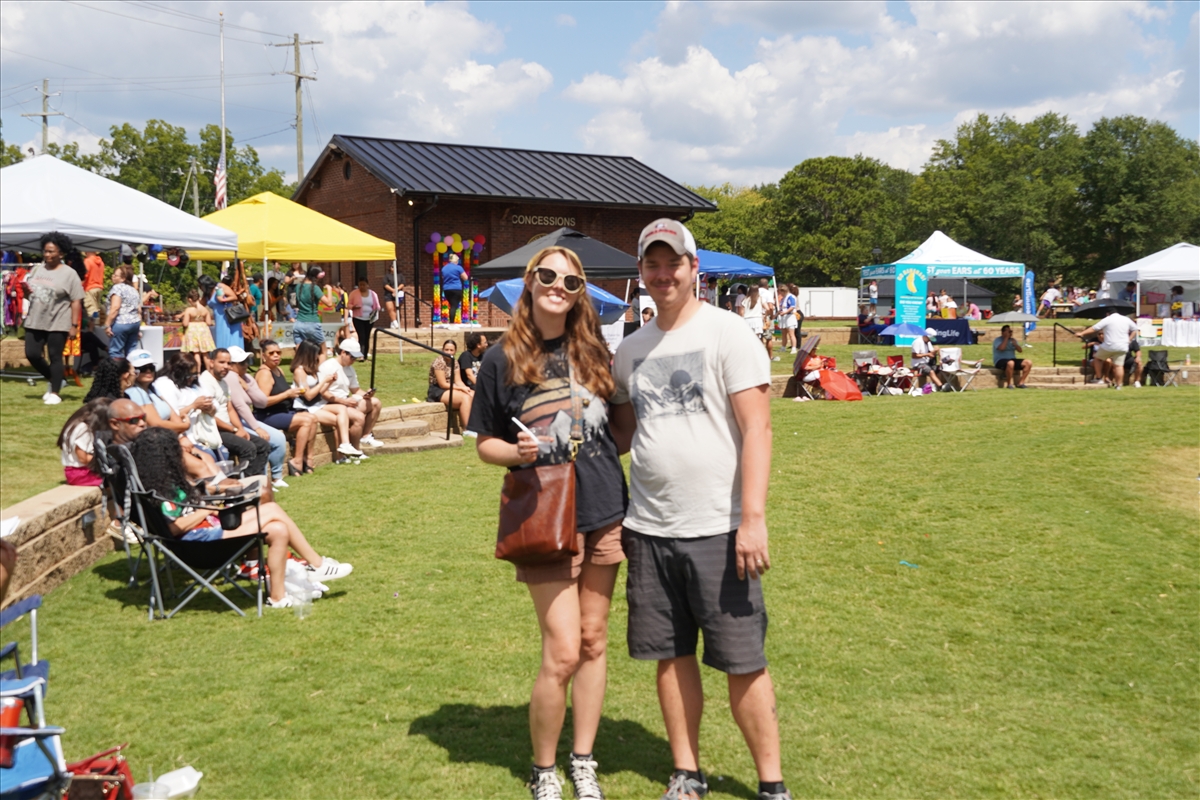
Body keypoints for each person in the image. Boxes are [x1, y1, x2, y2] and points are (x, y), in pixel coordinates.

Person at [609, 219, 791, 800]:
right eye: (652, 264)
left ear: (694, 269)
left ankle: (771, 784)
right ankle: (686, 773)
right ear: (641, 271)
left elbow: (758, 428)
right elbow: (621, 433)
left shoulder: (728, 333)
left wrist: (753, 519)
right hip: (649, 528)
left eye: (674, 263)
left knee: (743, 660)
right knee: (670, 655)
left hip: (720, 527)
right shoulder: (630, 350)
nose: (663, 274)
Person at [468, 245, 628, 800]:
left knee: (593, 639)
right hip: (544, 513)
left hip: (605, 507)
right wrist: (517, 453)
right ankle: (544, 770)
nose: (559, 286)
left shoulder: (597, 352)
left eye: (571, 281)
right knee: (562, 650)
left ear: (581, 293)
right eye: (548, 276)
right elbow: (484, 443)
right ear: (530, 282)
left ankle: (583, 760)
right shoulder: (501, 357)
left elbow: (622, 431)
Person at [127, 427, 352, 608]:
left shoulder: (163, 479)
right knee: (271, 510)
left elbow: (189, 499)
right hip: (198, 545)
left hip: (205, 533)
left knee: (278, 529)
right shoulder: (157, 491)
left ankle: (277, 598)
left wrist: (215, 493)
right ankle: (318, 564)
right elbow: (174, 529)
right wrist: (208, 510)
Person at [23, 231, 85, 404]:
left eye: (51, 251)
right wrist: (27, 292)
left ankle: (55, 393)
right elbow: (32, 295)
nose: (47, 254)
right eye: (45, 251)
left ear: (61, 253)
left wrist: (74, 325)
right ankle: (56, 379)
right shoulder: (37, 269)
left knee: (55, 356)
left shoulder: (69, 274)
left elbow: (76, 300)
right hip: (35, 319)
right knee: (32, 354)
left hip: (58, 320)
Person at [225, 345, 290, 489]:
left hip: (245, 419)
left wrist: (248, 387)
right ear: (231, 365)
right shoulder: (229, 376)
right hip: (233, 421)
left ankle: (276, 478)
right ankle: (262, 481)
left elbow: (262, 401)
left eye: (247, 361)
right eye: (242, 362)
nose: (246, 365)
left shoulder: (247, 377)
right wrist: (257, 428)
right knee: (261, 441)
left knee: (279, 438)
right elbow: (240, 405)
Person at [200, 348, 272, 476]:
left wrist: (240, 429)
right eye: (221, 362)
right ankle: (245, 484)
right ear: (211, 362)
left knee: (263, 445)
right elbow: (210, 417)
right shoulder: (205, 382)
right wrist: (233, 430)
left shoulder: (223, 382)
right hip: (214, 430)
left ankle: (256, 481)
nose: (226, 366)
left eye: (228, 363)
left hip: (228, 428)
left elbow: (230, 408)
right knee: (248, 448)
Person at [255, 340, 317, 476]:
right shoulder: (265, 373)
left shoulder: (279, 370)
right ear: (263, 356)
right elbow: (263, 402)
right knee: (306, 421)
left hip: (283, 411)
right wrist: (287, 394)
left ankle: (308, 458)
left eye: (278, 353)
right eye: (271, 353)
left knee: (313, 418)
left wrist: (293, 395)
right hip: (268, 415)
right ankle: (297, 460)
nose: (276, 356)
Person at [291, 340, 362, 459]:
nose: (318, 357)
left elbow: (320, 391)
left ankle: (345, 445)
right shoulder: (299, 371)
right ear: (308, 354)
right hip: (305, 407)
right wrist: (324, 381)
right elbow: (308, 395)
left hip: (316, 404)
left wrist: (330, 382)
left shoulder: (312, 369)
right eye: (316, 354)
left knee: (341, 409)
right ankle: (340, 456)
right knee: (338, 421)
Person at [319, 339, 383, 450]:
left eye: (355, 358)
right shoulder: (327, 367)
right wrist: (344, 401)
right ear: (343, 352)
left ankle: (365, 436)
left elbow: (356, 390)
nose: (353, 361)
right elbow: (323, 393)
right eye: (352, 357)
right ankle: (356, 449)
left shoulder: (350, 369)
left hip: (346, 401)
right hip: (331, 404)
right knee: (359, 417)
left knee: (376, 403)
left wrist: (367, 394)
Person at [1079, 309, 1139, 390]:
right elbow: (1135, 329)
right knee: (1119, 366)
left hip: (1109, 345)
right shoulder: (1126, 319)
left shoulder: (1108, 319)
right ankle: (1119, 385)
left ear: (1108, 313)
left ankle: (1099, 378)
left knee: (1097, 358)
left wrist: (1081, 333)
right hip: (1122, 346)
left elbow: (1094, 328)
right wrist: (1129, 339)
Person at [58, 398, 111, 486]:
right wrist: (106, 461)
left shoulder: (77, 423)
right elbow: (83, 458)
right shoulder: (84, 430)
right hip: (80, 473)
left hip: (80, 472)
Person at [427, 339, 473, 430]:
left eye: (451, 350)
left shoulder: (454, 362)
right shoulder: (439, 362)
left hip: (452, 387)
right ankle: (468, 430)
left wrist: (466, 388)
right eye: (446, 350)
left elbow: (458, 381)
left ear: (455, 351)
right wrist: (461, 389)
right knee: (465, 398)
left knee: (473, 394)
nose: (449, 352)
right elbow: (443, 384)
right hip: (438, 390)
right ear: (442, 350)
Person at [104, 265, 142, 358]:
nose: (113, 276)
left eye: (115, 275)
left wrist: (107, 324)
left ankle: (117, 367)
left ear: (123, 278)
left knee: (115, 352)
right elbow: (139, 310)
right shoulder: (134, 290)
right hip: (134, 323)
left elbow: (115, 308)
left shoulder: (117, 288)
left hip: (121, 322)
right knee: (131, 352)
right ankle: (131, 367)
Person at [292, 267, 327, 356]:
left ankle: (299, 365)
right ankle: (322, 365)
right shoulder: (315, 288)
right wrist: (329, 290)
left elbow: (295, 302)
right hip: (312, 322)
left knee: (300, 352)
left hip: (298, 323)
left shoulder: (298, 286)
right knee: (323, 351)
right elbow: (329, 303)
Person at [179, 289, 216, 373]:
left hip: (193, 331)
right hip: (203, 331)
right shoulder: (205, 310)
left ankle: (198, 372)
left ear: (190, 299)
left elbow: (185, 323)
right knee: (205, 354)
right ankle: (210, 372)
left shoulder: (189, 310)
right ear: (199, 298)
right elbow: (209, 322)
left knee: (196, 353)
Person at [204, 274, 244, 350]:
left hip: (227, 316)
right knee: (221, 336)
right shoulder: (207, 293)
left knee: (230, 336)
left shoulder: (219, 287)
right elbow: (201, 303)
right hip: (218, 318)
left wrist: (223, 299)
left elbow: (234, 297)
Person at [993, 325, 1033, 389]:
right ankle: (1009, 384)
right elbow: (1002, 348)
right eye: (1008, 331)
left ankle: (1021, 383)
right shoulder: (997, 340)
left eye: (1011, 331)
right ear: (1003, 332)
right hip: (1000, 360)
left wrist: (1015, 344)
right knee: (1011, 363)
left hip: (1012, 360)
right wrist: (1006, 338)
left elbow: (1020, 350)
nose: (1010, 333)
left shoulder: (1013, 340)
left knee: (1028, 362)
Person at [348, 278, 380, 360]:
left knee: (367, 336)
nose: (362, 286)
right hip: (358, 318)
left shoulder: (373, 294)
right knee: (361, 336)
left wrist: (375, 312)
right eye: (360, 285)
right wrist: (353, 307)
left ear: (367, 285)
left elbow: (377, 306)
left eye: (363, 285)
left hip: (369, 319)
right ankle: (361, 355)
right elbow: (348, 305)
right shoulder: (354, 293)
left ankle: (365, 354)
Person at [82, 250, 106, 327]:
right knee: (96, 310)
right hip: (99, 287)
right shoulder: (101, 262)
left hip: (89, 288)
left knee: (91, 311)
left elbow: (84, 276)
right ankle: (98, 325)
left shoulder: (87, 261)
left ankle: (94, 329)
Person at [441, 253, 467, 322]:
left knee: (452, 305)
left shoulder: (444, 268)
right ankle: (451, 323)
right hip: (456, 288)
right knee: (454, 306)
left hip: (446, 289)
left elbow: (443, 277)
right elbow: (465, 278)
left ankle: (451, 321)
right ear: (456, 261)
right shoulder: (458, 267)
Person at [778, 285, 798, 353]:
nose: (780, 294)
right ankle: (783, 347)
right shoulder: (783, 298)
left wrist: (785, 312)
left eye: (781, 292)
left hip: (790, 317)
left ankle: (794, 348)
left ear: (784, 291)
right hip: (783, 317)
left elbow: (792, 306)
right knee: (783, 333)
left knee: (791, 334)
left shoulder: (791, 297)